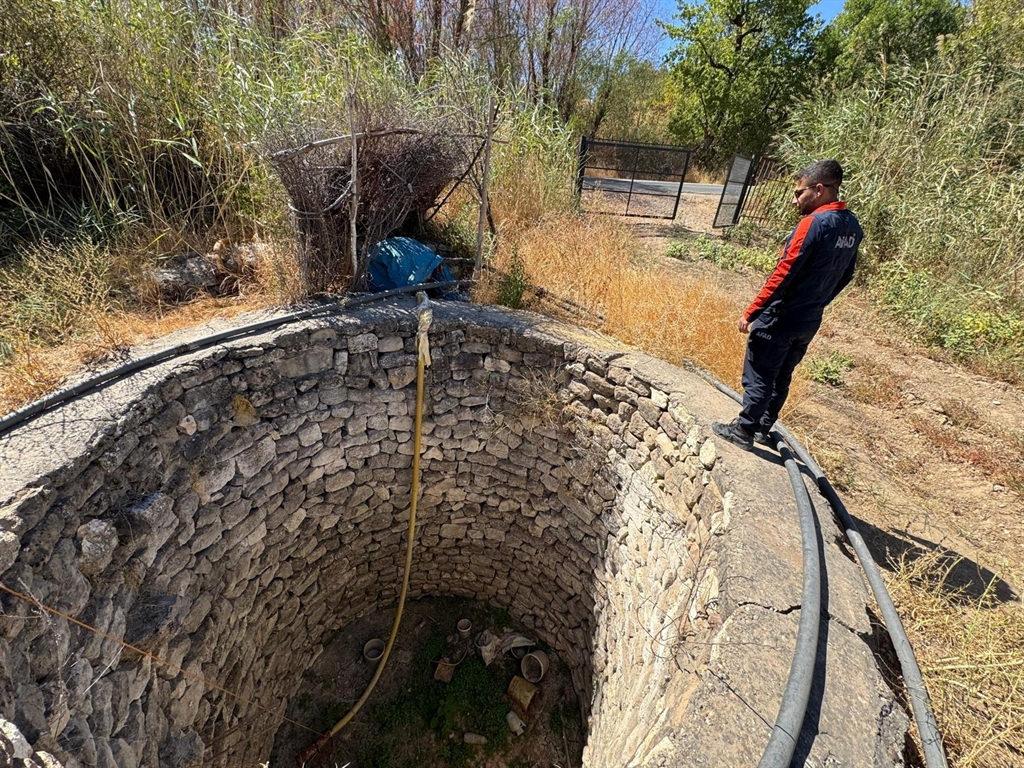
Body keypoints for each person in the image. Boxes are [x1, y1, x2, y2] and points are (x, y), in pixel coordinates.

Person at [712, 159, 863, 450]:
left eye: (798, 193)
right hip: (809, 319)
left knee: (760, 371)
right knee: (783, 373)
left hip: (781, 315)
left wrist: (751, 311)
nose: (795, 200)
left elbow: (784, 271)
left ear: (819, 189)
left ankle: (744, 430)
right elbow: (846, 275)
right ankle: (763, 427)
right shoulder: (852, 226)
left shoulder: (813, 224)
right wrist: (818, 303)